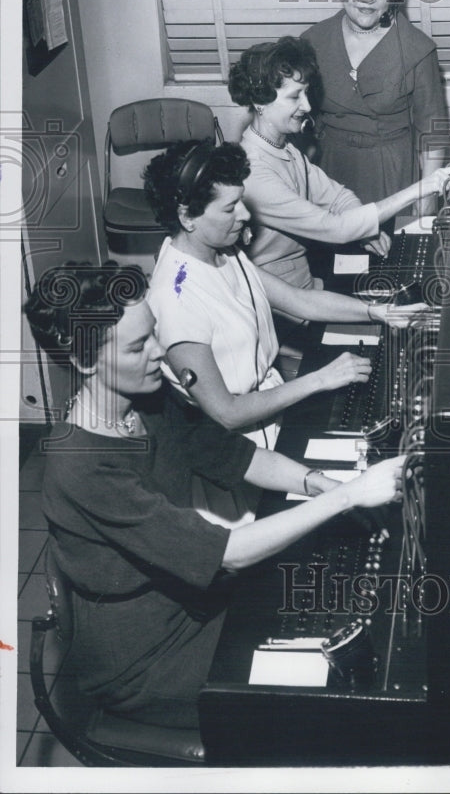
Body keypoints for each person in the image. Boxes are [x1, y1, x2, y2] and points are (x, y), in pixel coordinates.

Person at [24, 261, 405, 731]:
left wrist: (322, 483)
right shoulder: (83, 466)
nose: (161, 351)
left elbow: (236, 455)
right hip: (148, 658)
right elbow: (228, 554)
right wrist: (348, 498)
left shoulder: (145, 397)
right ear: (85, 361)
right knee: (325, 707)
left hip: (190, 600)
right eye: (139, 345)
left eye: (154, 333)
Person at [143, 139, 426, 455]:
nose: (245, 214)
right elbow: (227, 413)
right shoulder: (176, 301)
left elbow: (299, 300)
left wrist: (381, 312)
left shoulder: (219, 251)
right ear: (187, 217)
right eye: (229, 207)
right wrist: (320, 380)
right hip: (234, 450)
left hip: (272, 410)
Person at [229, 35, 450, 290]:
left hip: (308, 280)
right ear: (260, 102)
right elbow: (333, 228)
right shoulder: (253, 169)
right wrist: (424, 186)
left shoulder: (285, 148)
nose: (308, 105)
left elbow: (338, 198)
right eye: (295, 97)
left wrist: (366, 232)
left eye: (307, 94)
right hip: (279, 298)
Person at [301, 0, 449, 204]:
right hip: (328, 173)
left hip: (392, 176)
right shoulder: (313, 41)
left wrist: (425, 202)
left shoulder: (418, 49)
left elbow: (433, 137)